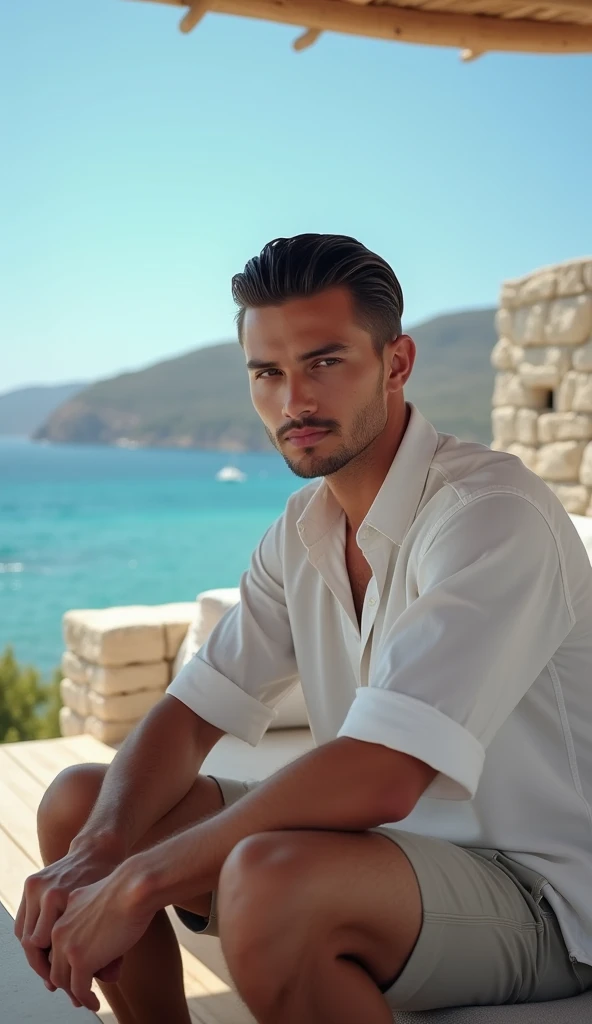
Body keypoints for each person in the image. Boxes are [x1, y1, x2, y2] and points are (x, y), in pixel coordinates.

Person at [16, 234, 592, 1024]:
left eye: (324, 362)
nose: (293, 403)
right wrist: (103, 851)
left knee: (270, 884)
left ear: (396, 362)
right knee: (84, 805)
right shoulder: (304, 530)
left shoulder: (490, 517)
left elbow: (384, 775)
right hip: (390, 856)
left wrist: (139, 880)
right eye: (268, 372)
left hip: (540, 891)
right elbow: (189, 715)